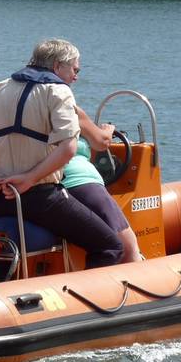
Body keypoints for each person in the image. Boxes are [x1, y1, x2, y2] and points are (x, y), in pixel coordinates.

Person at [0, 39, 123, 269]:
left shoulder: (0, 88)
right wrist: (31, 178)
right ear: (57, 67)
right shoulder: (58, 91)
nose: (76, 76)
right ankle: (88, 302)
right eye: (75, 69)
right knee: (110, 246)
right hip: (40, 198)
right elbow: (69, 147)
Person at [64, 109, 143, 263]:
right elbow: (102, 142)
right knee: (129, 246)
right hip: (81, 182)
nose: (74, 82)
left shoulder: (28, 105)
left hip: (46, 185)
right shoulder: (66, 106)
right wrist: (108, 130)